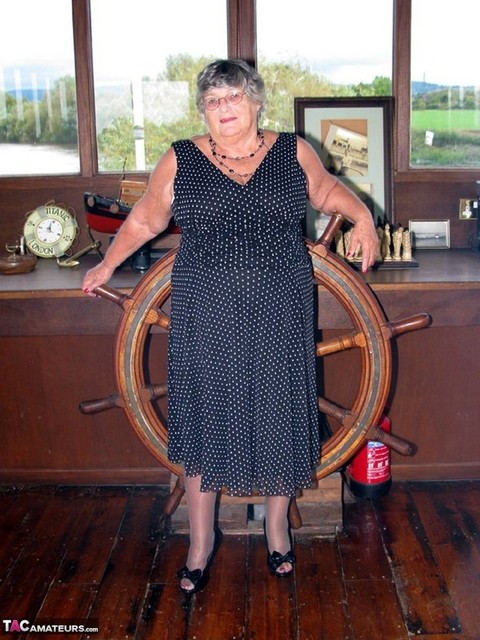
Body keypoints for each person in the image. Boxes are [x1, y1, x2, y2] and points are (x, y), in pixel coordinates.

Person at [82, 59, 379, 593]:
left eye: (233, 98)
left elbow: (329, 190)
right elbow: (148, 218)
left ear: (256, 101)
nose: (223, 110)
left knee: (278, 412)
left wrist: (362, 218)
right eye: (213, 101)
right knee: (206, 418)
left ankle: (276, 530)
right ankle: (201, 543)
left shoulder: (293, 151)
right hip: (207, 314)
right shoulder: (182, 158)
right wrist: (106, 264)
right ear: (203, 110)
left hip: (279, 312)